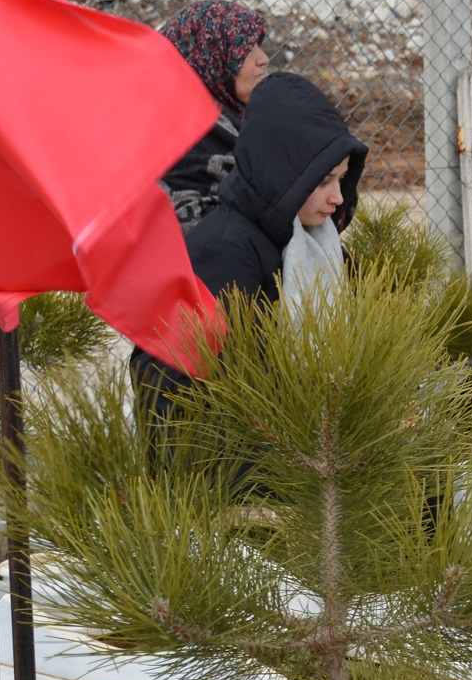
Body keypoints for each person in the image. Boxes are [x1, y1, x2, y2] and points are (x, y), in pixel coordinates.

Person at [129, 72, 365, 420]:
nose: (338, 198)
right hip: (244, 466)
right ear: (281, 174)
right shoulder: (223, 253)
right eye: (324, 181)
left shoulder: (316, 242)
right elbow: (169, 392)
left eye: (343, 179)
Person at [158, 0, 271, 230]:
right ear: (210, 56)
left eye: (260, 45)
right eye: (247, 49)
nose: (264, 58)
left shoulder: (241, 123)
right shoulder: (186, 136)